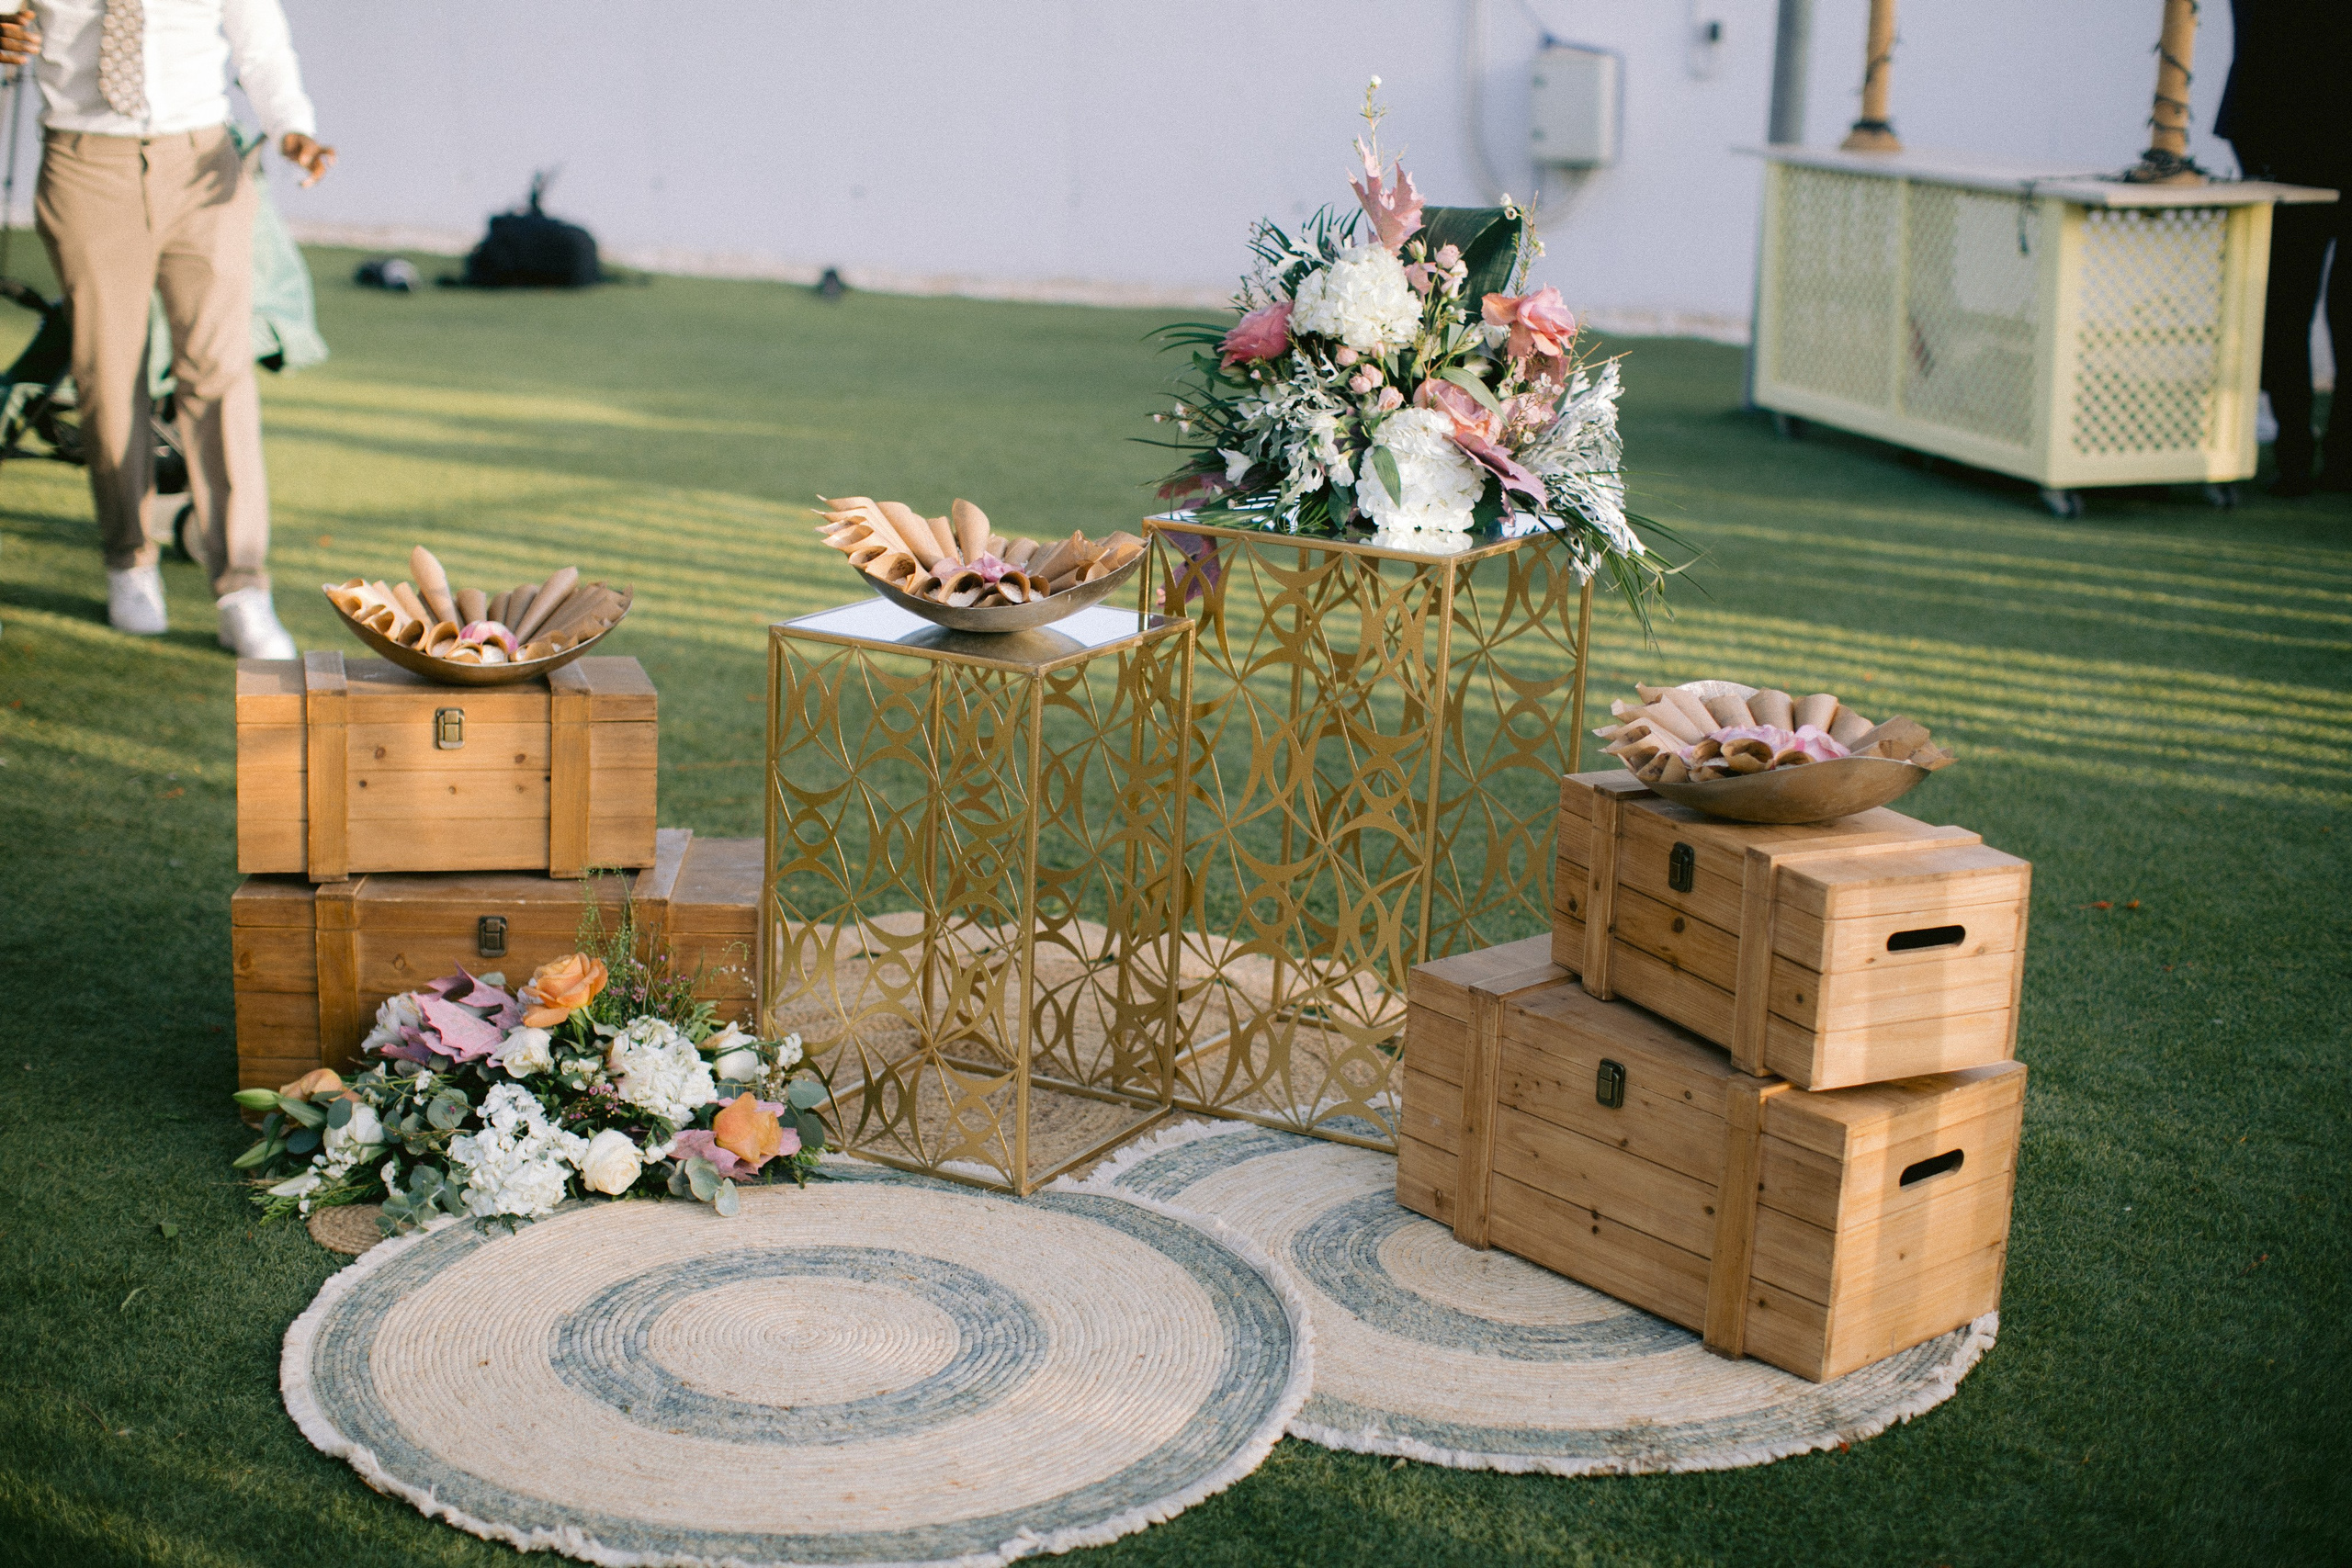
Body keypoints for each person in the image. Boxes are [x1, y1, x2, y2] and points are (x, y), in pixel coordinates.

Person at [0, 0, 334, 654]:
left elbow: (259, 42)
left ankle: (243, 588)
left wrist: (292, 125)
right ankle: (129, 561)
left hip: (203, 162)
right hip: (85, 162)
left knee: (218, 375)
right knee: (106, 372)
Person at [2218, 0, 2351, 496]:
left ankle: (2305, 457)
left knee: (2287, 307)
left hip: (2286, 135)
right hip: (2289, 137)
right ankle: (2314, 456)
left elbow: (2251, 43)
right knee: (2287, 308)